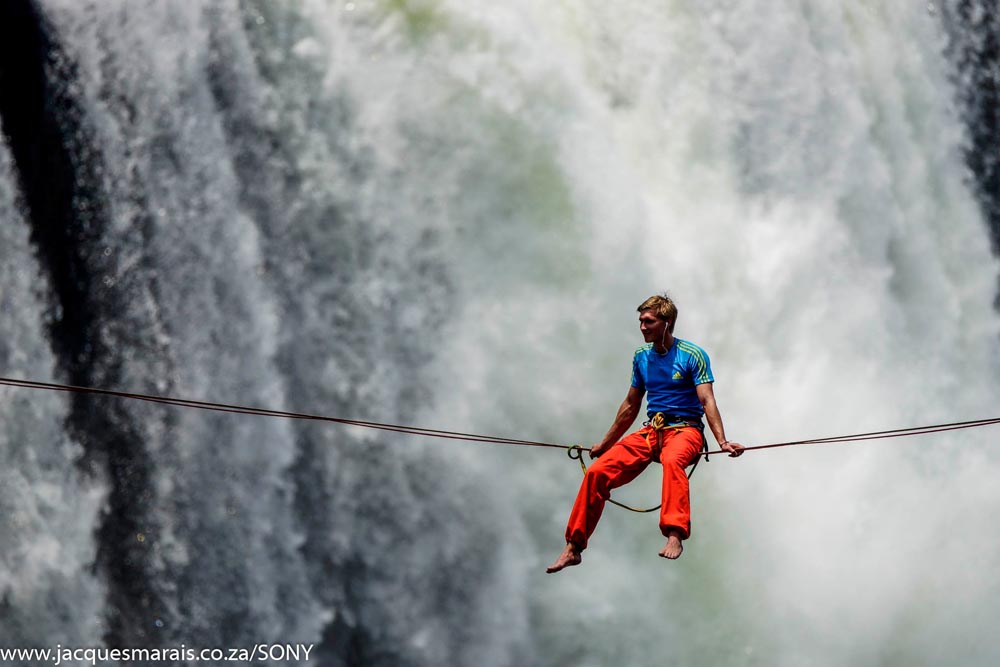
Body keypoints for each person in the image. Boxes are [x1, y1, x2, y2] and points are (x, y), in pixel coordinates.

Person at [546, 293, 744, 573]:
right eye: (640, 321)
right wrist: (606, 442)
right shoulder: (641, 357)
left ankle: (675, 535)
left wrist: (722, 441)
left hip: (686, 429)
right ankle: (573, 548)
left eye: (648, 321)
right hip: (652, 430)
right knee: (596, 473)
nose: (642, 327)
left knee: (673, 461)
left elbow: (707, 400)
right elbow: (631, 405)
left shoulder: (692, 355)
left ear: (667, 322)